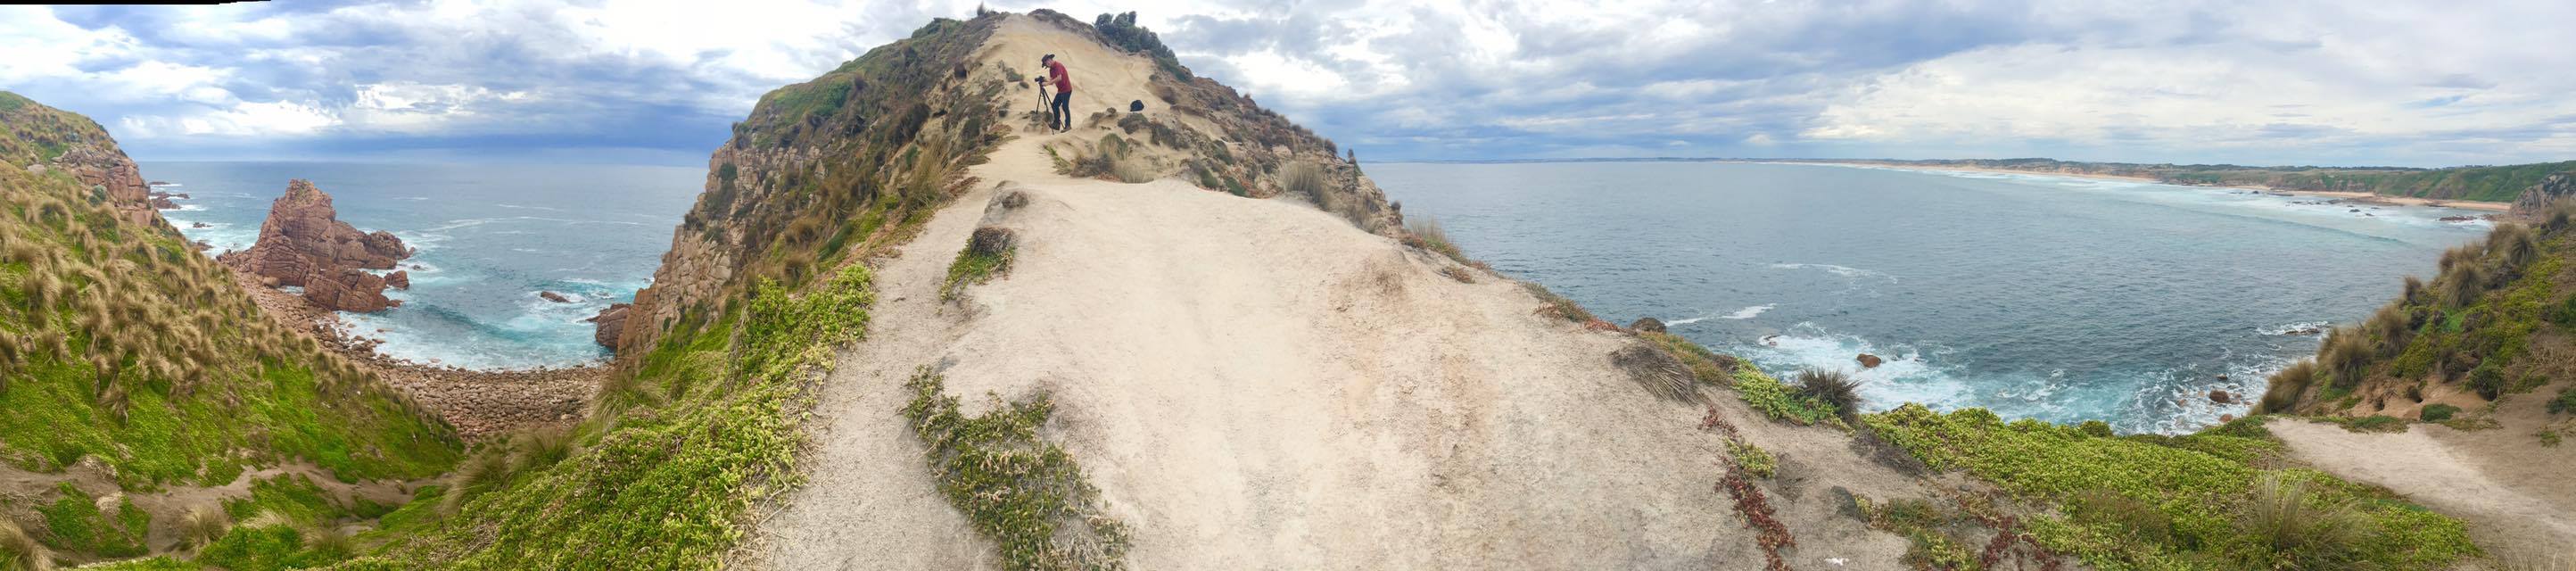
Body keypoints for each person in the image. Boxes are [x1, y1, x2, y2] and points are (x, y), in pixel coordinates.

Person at [1043, 54, 1073, 132]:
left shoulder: (1058, 65)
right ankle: (1056, 124)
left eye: (1047, 62)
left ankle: (1068, 126)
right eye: (1046, 64)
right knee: (1055, 105)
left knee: (1065, 107)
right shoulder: (1051, 69)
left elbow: (1059, 78)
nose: (1047, 64)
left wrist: (1047, 83)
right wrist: (1044, 81)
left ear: (1050, 59)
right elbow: (1052, 81)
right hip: (1061, 90)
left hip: (1066, 90)